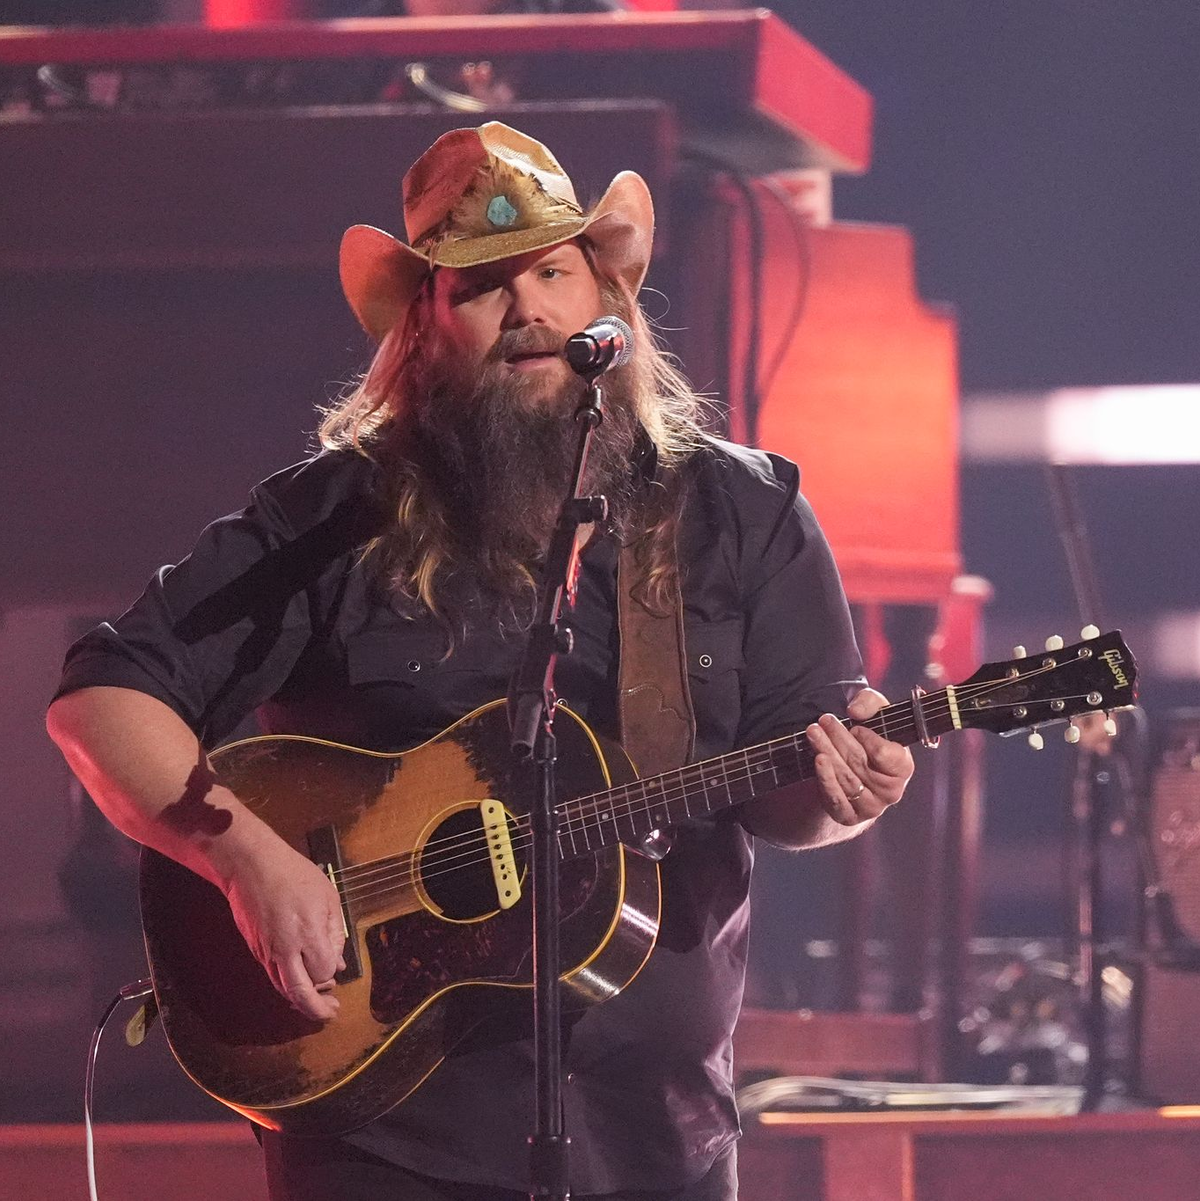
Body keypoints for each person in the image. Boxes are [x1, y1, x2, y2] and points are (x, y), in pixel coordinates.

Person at [46, 121, 914, 1200]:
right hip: (388, 1132)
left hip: (656, 1129)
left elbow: (794, 793)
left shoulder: (741, 511)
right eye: (483, 286)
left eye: (553, 272)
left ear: (608, 300)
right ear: (424, 323)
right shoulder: (334, 517)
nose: (528, 310)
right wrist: (252, 863)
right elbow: (103, 697)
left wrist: (848, 791)